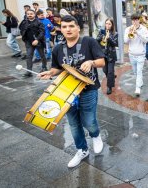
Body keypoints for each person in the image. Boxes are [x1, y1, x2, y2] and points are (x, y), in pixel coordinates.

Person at [39, 15, 105, 168]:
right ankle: (82, 150)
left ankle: (95, 135)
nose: (67, 29)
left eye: (71, 26)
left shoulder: (89, 42)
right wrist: (50, 73)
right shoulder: (57, 48)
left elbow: (102, 62)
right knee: (74, 124)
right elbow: (57, 68)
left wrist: (90, 62)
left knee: (89, 121)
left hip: (88, 89)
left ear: (78, 28)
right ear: (61, 29)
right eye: (64, 27)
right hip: (66, 91)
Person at [124, 13, 148, 96]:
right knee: (135, 72)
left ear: (139, 20)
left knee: (139, 71)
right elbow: (126, 41)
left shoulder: (144, 29)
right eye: (133, 20)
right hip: (131, 54)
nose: (134, 22)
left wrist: (138, 33)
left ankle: (137, 88)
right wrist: (130, 33)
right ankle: (140, 83)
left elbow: (146, 40)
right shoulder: (128, 29)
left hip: (141, 54)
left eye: (136, 20)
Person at [19, 9, 47, 76]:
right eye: (28, 14)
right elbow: (21, 29)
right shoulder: (24, 22)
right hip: (29, 42)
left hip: (39, 42)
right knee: (29, 56)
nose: (29, 15)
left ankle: (44, 67)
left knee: (42, 55)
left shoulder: (39, 22)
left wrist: (37, 40)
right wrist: (24, 37)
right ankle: (29, 71)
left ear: (34, 14)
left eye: (31, 13)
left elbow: (42, 32)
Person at [96, 18, 118, 94]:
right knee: (105, 70)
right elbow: (96, 40)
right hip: (103, 54)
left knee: (110, 72)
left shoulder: (115, 33)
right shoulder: (101, 31)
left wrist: (109, 39)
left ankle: (109, 87)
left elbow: (115, 44)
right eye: (106, 23)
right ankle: (111, 78)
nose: (107, 25)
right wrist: (101, 37)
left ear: (112, 25)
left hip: (111, 55)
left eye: (109, 24)